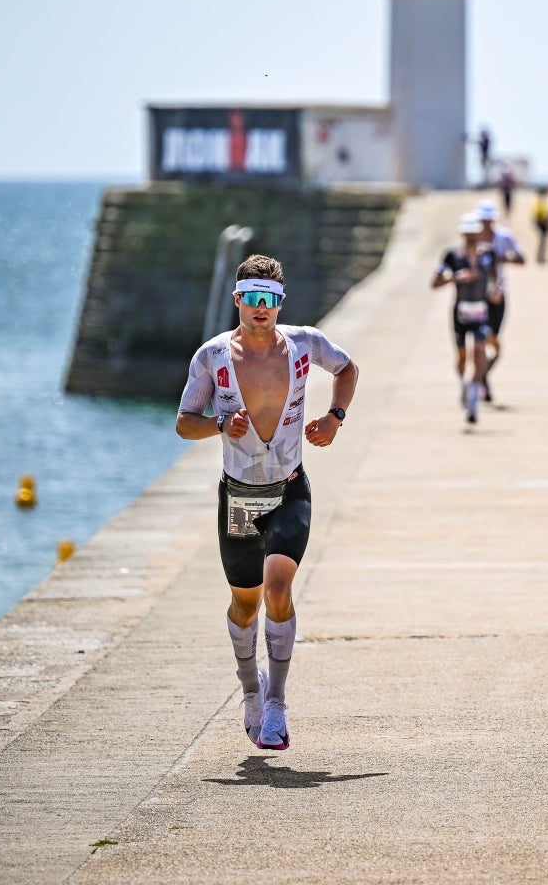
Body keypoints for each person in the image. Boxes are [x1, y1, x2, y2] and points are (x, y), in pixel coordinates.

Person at [176, 255, 359, 750]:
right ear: (237, 300)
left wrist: (334, 417)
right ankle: (250, 690)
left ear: (281, 303)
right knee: (245, 602)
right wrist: (218, 425)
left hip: (288, 486)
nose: (262, 309)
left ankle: (277, 703)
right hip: (238, 495)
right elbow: (184, 421)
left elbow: (347, 368)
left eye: (270, 300)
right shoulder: (211, 358)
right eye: (253, 299)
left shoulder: (304, 343)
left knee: (279, 587)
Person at [432, 215, 499, 424]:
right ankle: (464, 384)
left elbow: (494, 279)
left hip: (481, 313)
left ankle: (473, 396)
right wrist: (455, 278)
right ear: (463, 234)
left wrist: (495, 291)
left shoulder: (488, 255)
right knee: (462, 357)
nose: (471, 237)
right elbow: (435, 282)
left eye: (474, 233)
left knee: (479, 353)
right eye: (468, 234)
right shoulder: (452, 256)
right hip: (460, 314)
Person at [475, 200, 526, 403]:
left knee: (494, 343)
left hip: (498, 294)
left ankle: (482, 377)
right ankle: (482, 382)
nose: (485, 224)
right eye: (482, 220)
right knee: (480, 341)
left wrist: (501, 258)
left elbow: (521, 259)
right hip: (478, 297)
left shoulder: (504, 237)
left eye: (488, 220)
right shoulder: (473, 237)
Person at [532, 187, 548, 264]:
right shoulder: (539, 203)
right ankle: (540, 257)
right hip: (541, 223)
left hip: (544, 223)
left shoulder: (543, 203)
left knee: (543, 241)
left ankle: (542, 257)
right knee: (542, 241)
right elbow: (537, 214)